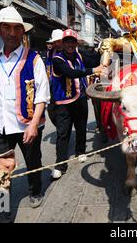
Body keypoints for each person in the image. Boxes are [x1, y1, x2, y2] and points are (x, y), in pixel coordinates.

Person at [0, 6, 50, 222]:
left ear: (23, 32)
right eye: (6, 28)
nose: (11, 33)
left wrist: (33, 124)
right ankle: (0, 217)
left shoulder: (34, 59)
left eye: (16, 28)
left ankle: (35, 189)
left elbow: (42, 95)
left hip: (26, 124)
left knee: (33, 161)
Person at [51, 29, 106, 180]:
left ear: (76, 44)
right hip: (63, 103)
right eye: (67, 41)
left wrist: (103, 50)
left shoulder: (79, 56)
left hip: (80, 98)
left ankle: (80, 151)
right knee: (63, 134)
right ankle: (60, 165)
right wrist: (94, 70)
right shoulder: (57, 59)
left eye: (72, 41)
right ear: (62, 43)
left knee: (81, 128)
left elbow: (94, 58)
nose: (69, 44)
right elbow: (71, 73)